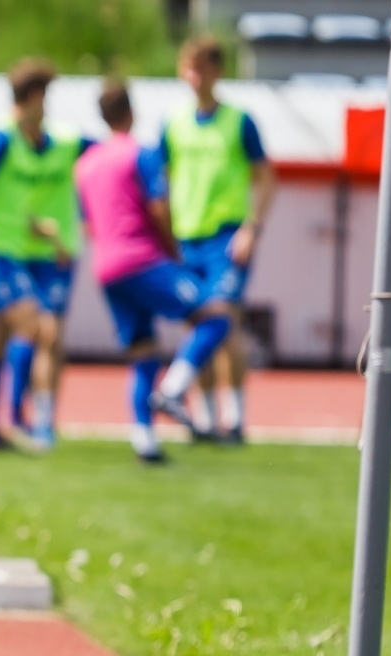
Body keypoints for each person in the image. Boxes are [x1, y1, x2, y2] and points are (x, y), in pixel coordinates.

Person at [75, 80, 233, 464]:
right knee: (216, 316)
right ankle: (175, 390)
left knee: (143, 351)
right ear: (132, 112)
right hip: (142, 259)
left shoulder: (85, 164)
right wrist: (173, 252)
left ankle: (144, 439)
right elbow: (159, 207)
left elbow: (88, 224)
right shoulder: (141, 155)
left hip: (107, 268)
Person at [0, 58, 92, 451]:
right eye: (46, 97)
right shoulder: (0, 138)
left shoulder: (39, 139)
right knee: (36, 324)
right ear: (35, 96)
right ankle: (20, 419)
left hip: (11, 246)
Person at [160, 35, 276, 443]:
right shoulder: (172, 124)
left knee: (224, 321)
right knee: (197, 328)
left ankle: (235, 418)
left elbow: (265, 179)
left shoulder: (238, 121)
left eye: (201, 68)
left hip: (225, 239)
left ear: (216, 71)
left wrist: (251, 228)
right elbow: (160, 181)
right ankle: (204, 421)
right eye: (188, 68)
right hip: (185, 239)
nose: (194, 77)